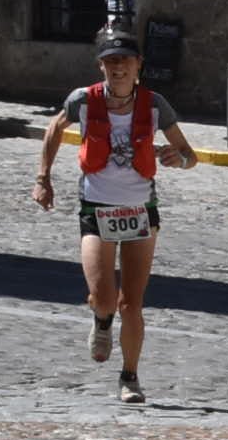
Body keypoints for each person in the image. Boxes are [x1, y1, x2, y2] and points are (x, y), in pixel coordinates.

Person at [34, 26, 196, 406]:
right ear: (101, 67)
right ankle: (101, 320)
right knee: (104, 297)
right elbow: (54, 128)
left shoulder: (156, 105)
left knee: (133, 303)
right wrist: (43, 178)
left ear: (139, 65)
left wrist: (180, 159)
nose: (118, 68)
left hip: (141, 212)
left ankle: (130, 377)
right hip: (97, 209)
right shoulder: (84, 101)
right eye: (111, 62)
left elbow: (190, 155)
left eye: (125, 61)